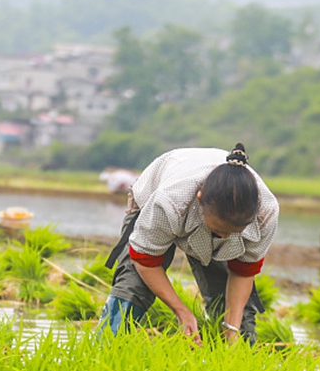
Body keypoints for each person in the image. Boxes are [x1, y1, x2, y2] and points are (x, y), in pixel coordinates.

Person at [98, 143, 279, 344]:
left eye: (233, 232)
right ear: (199, 201)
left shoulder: (266, 213)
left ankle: (233, 361)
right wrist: (182, 311)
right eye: (219, 231)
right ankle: (104, 347)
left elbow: (243, 271)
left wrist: (232, 328)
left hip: (205, 211)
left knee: (237, 318)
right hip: (155, 194)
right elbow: (145, 260)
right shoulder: (169, 201)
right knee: (133, 286)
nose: (226, 238)